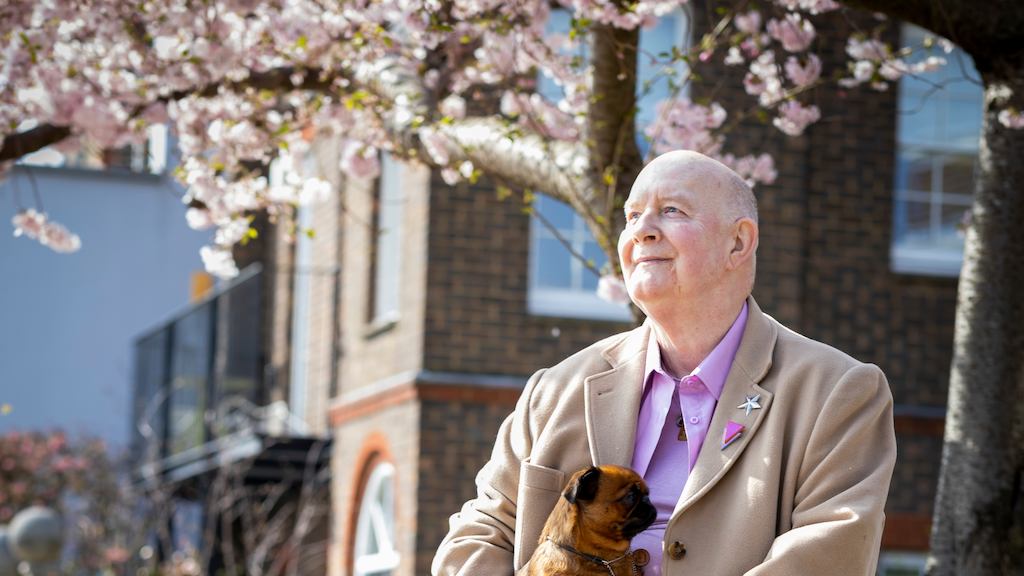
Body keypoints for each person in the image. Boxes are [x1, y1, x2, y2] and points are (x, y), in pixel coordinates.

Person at [431, 150, 897, 575]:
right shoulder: (553, 390)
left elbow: (827, 556)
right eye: (633, 216)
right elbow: (476, 537)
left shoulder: (839, 391)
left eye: (671, 211)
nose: (642, 230)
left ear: (739, 243)